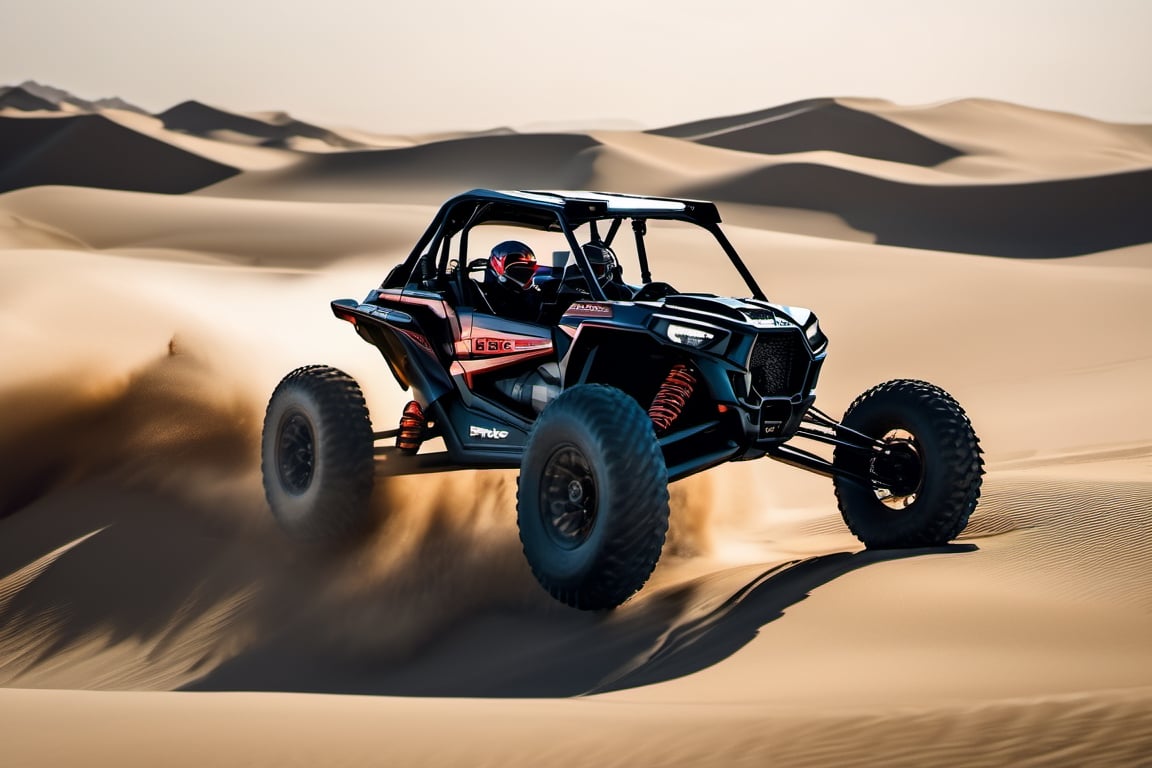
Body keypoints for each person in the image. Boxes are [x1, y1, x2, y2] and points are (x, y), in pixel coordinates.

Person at [483, 240, 542, 322]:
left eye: (528, 270)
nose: (524, 275)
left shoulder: (530, 296)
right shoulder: (483, 299)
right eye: (518, 270)